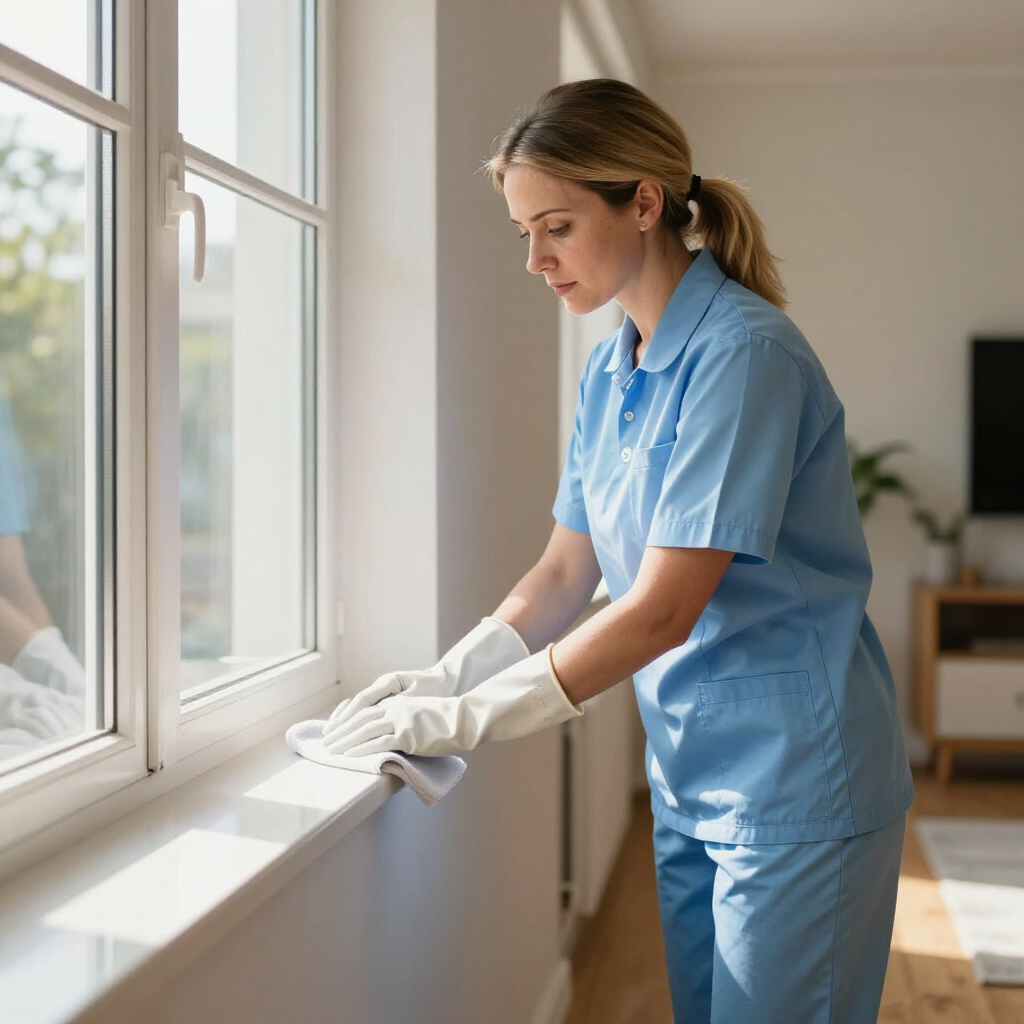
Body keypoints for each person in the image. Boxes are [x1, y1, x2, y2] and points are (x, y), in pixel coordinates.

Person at [321, 79, 914, 1024]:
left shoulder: (744, 355)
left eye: (553, 226)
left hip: (799, 781)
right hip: (690, 775)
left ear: (642, 201)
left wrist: (470, 721)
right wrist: (445, 676)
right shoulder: (613, 367)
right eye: (522, 231)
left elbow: (662, 609)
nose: (534, 258)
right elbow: (567, 571)